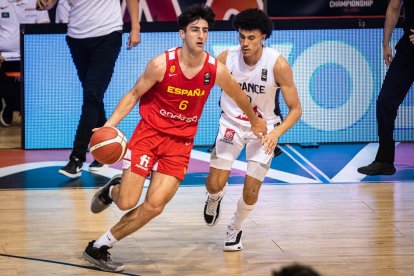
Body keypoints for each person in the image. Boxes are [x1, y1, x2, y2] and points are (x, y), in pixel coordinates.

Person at [81, 4, 267, 272]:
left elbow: (239, 96)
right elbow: (133, 95)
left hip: (179, 145)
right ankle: (113, 190)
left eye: (204, 30)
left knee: (155, 206)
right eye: (194, 30)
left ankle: (99, 246)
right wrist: (106, 127)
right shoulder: (161, 64)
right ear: (182, 33)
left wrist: (254, 120)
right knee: (126, 202)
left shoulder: (215, 70)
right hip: (149, 136)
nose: (200, 35)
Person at [203, 8, 302, 252]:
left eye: (251, 38)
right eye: (241, 37)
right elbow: (201, 85)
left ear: (264, 37)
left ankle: (235, 229)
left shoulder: (277, 64)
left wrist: (275, 134)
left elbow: (296, 109)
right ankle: (214, 198)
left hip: (264, 130)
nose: (245, 43)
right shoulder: (227, 58)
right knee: (214, 184)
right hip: (231, 123)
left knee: (251, 190)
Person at [36, 0, 141, 178]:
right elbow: (50, 3)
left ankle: (77, 158)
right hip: (76, 37)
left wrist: (135, 28)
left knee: (92, 96)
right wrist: (45, 4)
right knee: (93, 96)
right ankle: (102, 151)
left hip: (108, 34)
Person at [358, 0, 414, 176]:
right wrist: (386, 43)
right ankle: (384, 161)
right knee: (385, 102)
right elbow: (394, 7)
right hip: (409, 48)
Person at [0, 0, 50, 126]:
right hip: (4, 55)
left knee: (48, 66)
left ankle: (13, 104)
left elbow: (45, 29)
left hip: (31, 53)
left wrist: (35, 52)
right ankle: (16, 104)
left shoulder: (37, 2)